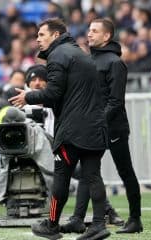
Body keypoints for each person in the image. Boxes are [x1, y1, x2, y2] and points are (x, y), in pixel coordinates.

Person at [9, 18, 110, 240]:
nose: (37, 39)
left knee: (62, 175)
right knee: (93, 175)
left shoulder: (58, 56)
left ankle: (52, 225)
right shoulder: (80, 54)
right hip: (96, 126)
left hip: (73, 130)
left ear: (55, 36)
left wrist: (28, 96)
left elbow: (53, 93)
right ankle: (99, 225)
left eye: (41, 35)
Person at [64, 18, 143, 234]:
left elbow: (116, 102)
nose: (89, 34)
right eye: (89, 30)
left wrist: (97, 122)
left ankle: (135, 219)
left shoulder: (115, 63)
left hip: (114, 128)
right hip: (93, 128)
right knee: (89, 172)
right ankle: (77, 219)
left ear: (106, 36)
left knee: (125, 172)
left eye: (94, 31)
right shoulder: (89, 60)